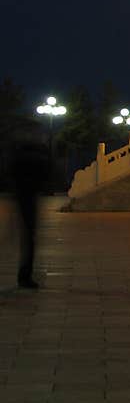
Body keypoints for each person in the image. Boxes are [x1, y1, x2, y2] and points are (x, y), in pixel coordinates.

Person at [10, 122, 51, 289]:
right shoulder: (35, 153)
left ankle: (25, 274)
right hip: (29, 195)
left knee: (27, 237)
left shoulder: (19, 152)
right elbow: (46, 170)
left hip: (23, 195)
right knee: (29, 237)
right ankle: (25, 276)